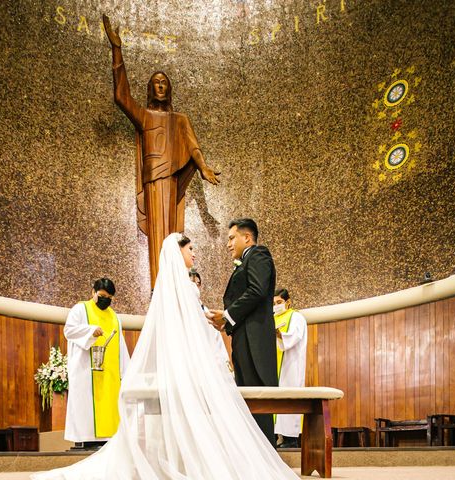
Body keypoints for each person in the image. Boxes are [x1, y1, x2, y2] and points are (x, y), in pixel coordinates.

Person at [32, 233, 298, 479]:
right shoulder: (186, 288)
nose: (194, 254)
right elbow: (194, 329)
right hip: (187, 365)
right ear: (177, 251)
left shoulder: (167, 290)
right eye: (190, 249)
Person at [102, 15, 221, 287]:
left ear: (169, 89)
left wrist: (202, 167)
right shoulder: (144, 117)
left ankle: (173, 287)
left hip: (171, 182)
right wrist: (117, 50)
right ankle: (159, 291)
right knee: (158, 238)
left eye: (164, 82)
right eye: (155, 82)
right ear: (149, 89)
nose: (159, 85)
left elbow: (193, 146)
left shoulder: (180, 120)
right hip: (154, 181)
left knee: (172, 236)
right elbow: (122, 97)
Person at [208, 218, 279, 447]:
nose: (228, 244)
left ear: (246, 237)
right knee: (248, 399)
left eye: (231, 238)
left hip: (254, 342)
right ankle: (253, 453)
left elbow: (257, 291)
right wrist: (225, 323)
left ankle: (265, 455)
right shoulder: (245, 260)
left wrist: (227, 315)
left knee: (259, 399)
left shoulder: (258, 254)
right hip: (244, 339)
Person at [63, 278, 130, 448]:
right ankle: (85, 441)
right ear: (93, 292)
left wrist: (126, 373)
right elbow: (69, 331)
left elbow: (120, 344)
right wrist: (90, 331)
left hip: (110, 374)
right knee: (87, 410)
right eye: (101, 295)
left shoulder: (114, 316)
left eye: (109, 297)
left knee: (111, 411)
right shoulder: (81, 309)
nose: (104, 300)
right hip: (86, 371)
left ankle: (109, 442)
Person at [273, 288, 308, 448]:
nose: (276, 306)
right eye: (273, 303)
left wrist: (280, 335)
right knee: (274, 401)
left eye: (279, 302)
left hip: (290, 365)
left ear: (288, 302)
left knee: (289, 398)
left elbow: (295, 336)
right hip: (274, 365)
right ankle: (274, 436)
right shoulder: (272, 318)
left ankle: (290, 438)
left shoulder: (296, 317)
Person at [189, 269, 232, 374]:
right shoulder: (186, 312)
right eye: (192, 283)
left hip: (213, 356)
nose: (195, 286)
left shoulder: (206, 310)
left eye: (198, 284)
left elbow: (215, 337)